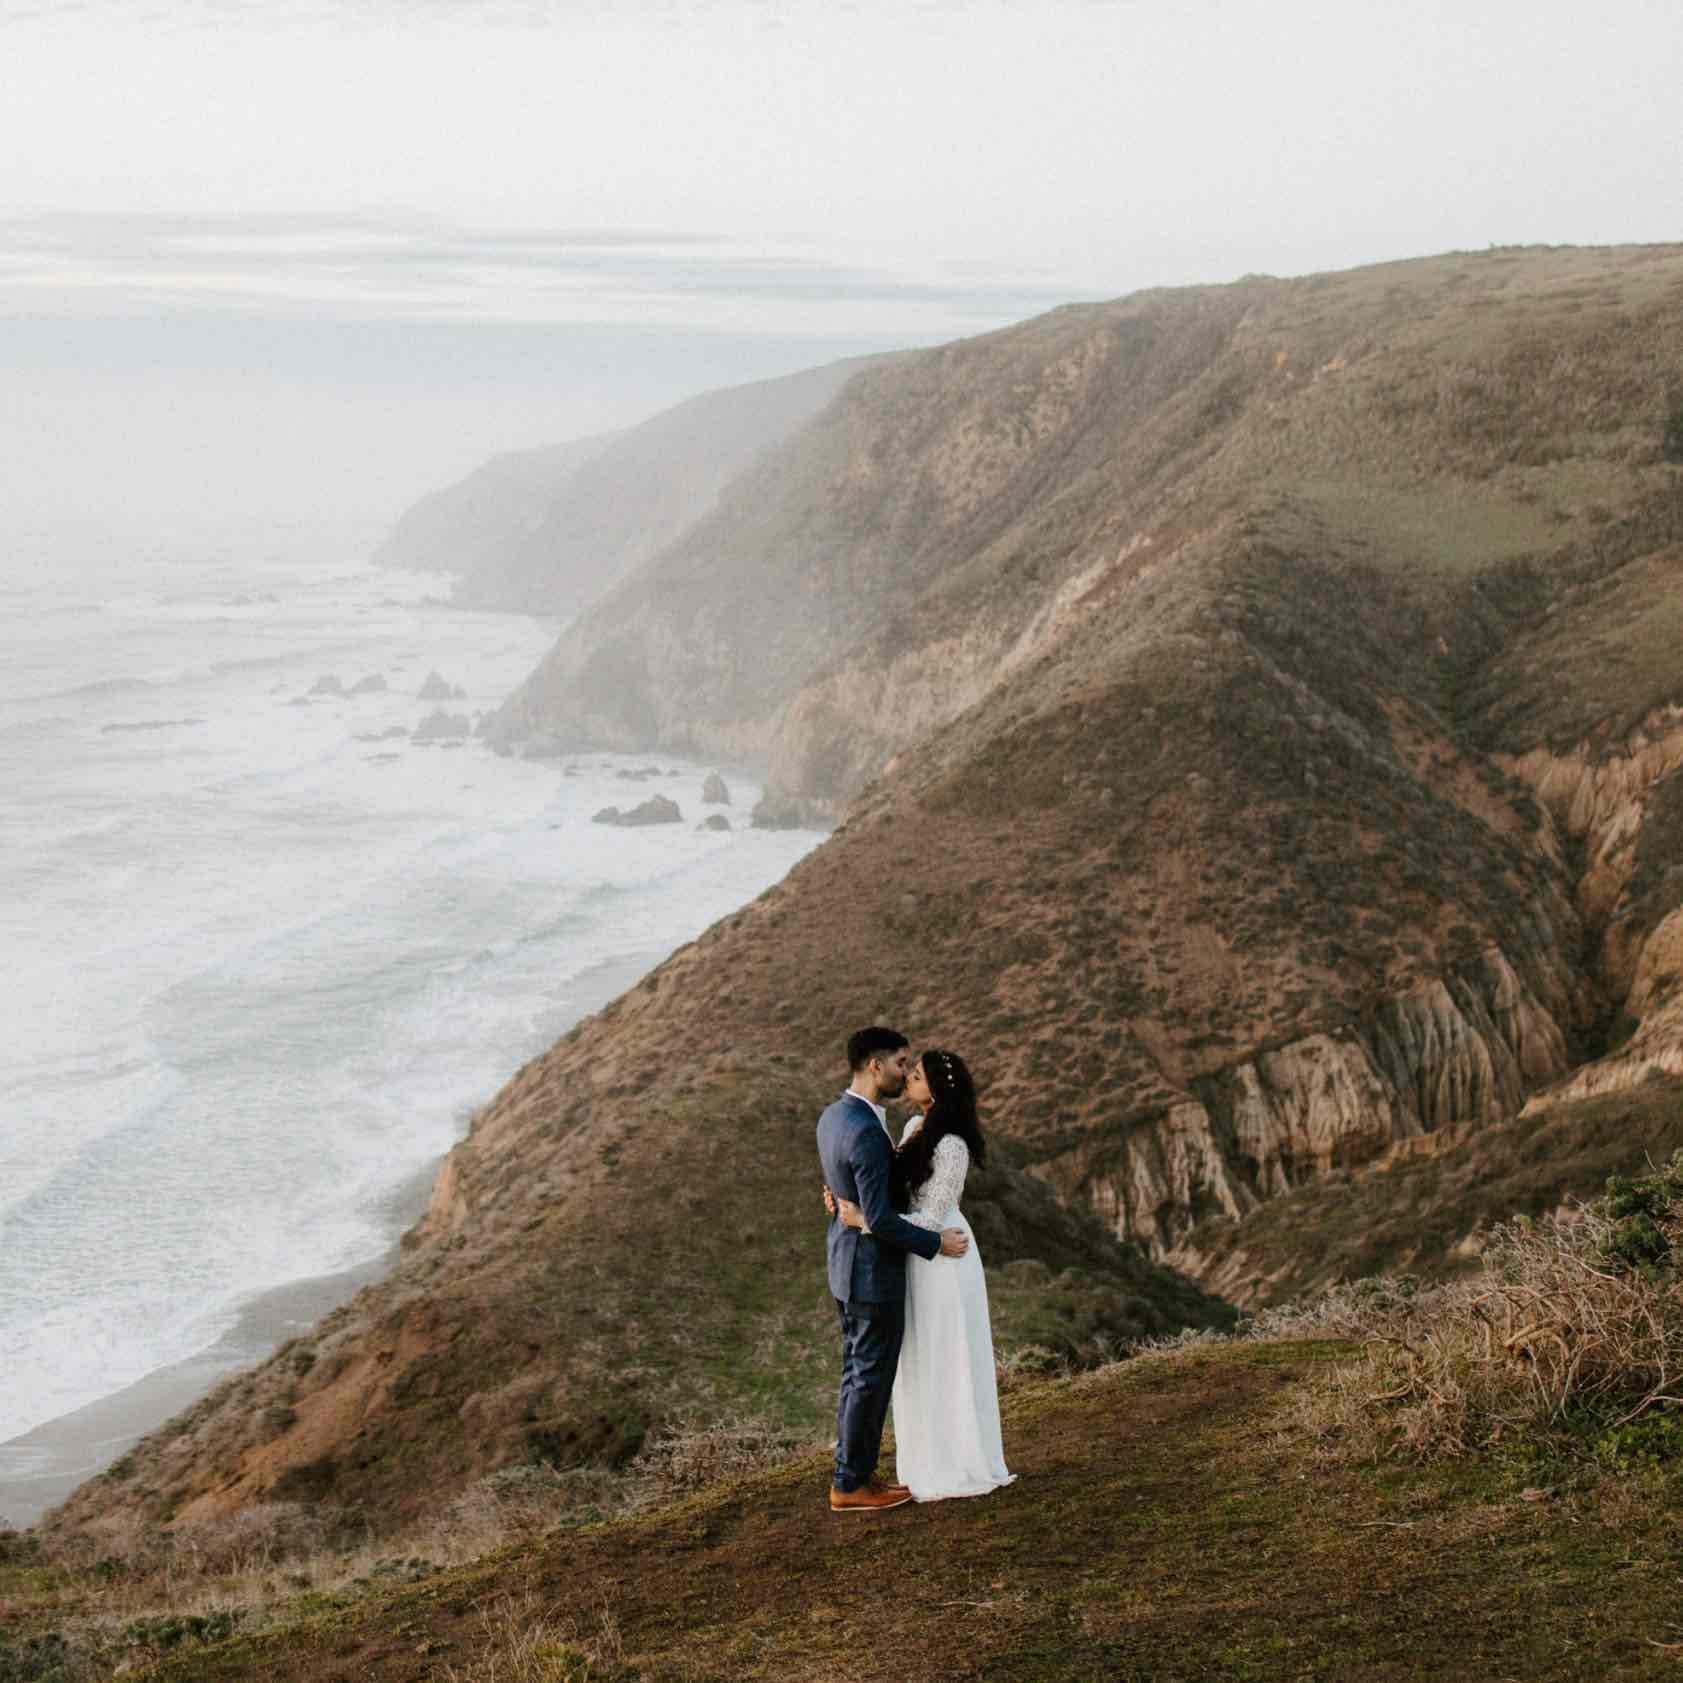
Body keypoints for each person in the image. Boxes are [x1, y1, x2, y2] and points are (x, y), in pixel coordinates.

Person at [829, 1048, 1015, 1502]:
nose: (908, 1079)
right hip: (914, 1253)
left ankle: (957, 1463)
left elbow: (931, 1220)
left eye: (917, 1075)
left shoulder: (952, 1145)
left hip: (944, 1256)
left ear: (937, 1087)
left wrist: (862, 1221)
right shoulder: (914, 1128)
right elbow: (886, 1188)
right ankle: (922, 1462)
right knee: (918, 1359)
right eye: (908, 1073)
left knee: (944, 1355)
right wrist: (842, 1196)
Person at [815, 1027, 970, 1513]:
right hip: (870, 1272)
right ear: (876, 1065)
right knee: (868, 1378)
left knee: (856, 1374)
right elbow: (878, 1217)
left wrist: (843, 1205)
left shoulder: (834, 1116)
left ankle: (853, 1471)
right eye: (903, 1063)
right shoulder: (865, 1128)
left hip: (845, 1264)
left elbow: (846, 1186)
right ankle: (851, 1482)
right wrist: (934, 1242)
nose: (907, 1073)